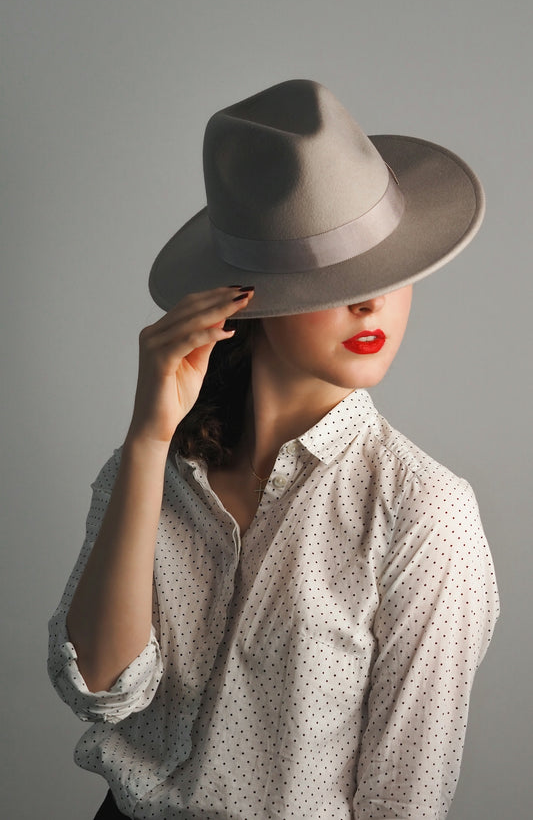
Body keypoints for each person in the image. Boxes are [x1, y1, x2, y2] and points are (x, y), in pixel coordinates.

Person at [48, 80, 499, 819]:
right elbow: (100, 688)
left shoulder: (423, 513)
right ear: (242, 294)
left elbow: (403, 802)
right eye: (335, 278)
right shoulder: (150, 472)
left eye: (389, 272)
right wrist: (144, 440)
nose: (370, 302)